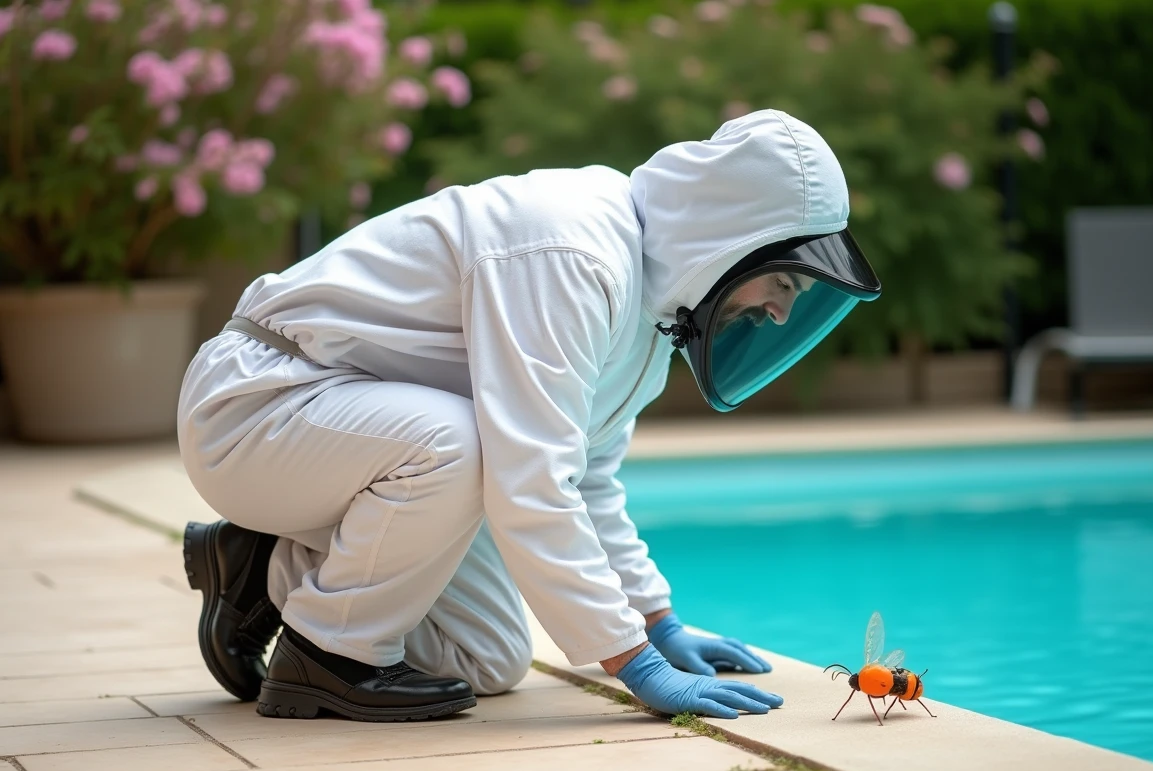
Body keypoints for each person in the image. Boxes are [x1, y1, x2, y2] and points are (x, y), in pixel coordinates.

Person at [177, 109, 881, 723]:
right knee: (462, 447)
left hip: (337, 433)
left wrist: (654, 620)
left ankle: (261, 569)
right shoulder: (572, 252)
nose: (782, 311)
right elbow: (532, 478)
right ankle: (326, 657)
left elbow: (588, 479)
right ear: (732, 235)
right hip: (258, 402)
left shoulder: (651, 307)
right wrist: (633, 664)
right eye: (783, 281)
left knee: (488, 655)